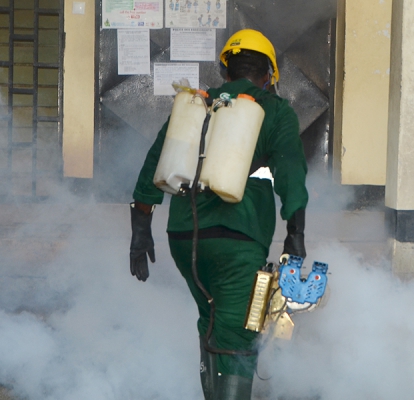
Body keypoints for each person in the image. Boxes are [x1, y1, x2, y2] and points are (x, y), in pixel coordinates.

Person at [129, 29, 308, 399]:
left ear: (226, 70)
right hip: (236, 240)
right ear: (269, 75)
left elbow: (154, 165)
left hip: (182, 237)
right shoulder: (273, 110)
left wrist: (140, 230)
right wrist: (296, 233)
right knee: (239, 333)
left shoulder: (198, 105)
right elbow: (291, 171)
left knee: (211, 319)